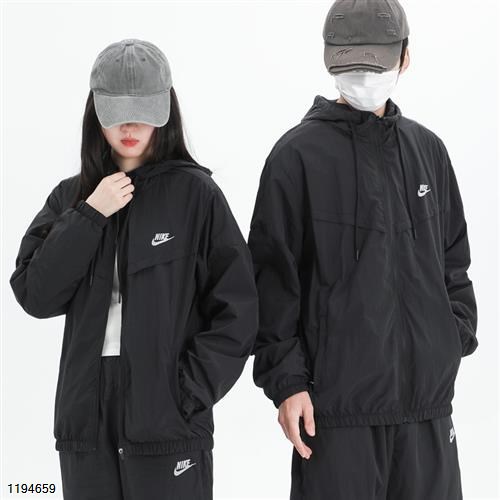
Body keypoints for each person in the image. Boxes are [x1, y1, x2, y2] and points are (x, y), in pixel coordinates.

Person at [10, 38, 258, 500]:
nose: (129, 126)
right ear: (96, 113)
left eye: (142, 111)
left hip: (168, 421)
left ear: (165, 110)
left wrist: (187, 391)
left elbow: (238, 310)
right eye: (117, 112)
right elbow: (35, 296)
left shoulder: (197, 196)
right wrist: (90, 214)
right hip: (86, 425)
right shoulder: (71, 199)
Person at [247, 1, 478, 499]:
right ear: (329, 61)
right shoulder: (295, 158)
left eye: (375, 63)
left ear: (404, 57)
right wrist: (288, 384)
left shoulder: (428, 152)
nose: (364, 77)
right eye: (352, 65)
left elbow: (454, 263)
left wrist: (449, 337)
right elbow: (270, 286)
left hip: (426, 413)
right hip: (336, 417)